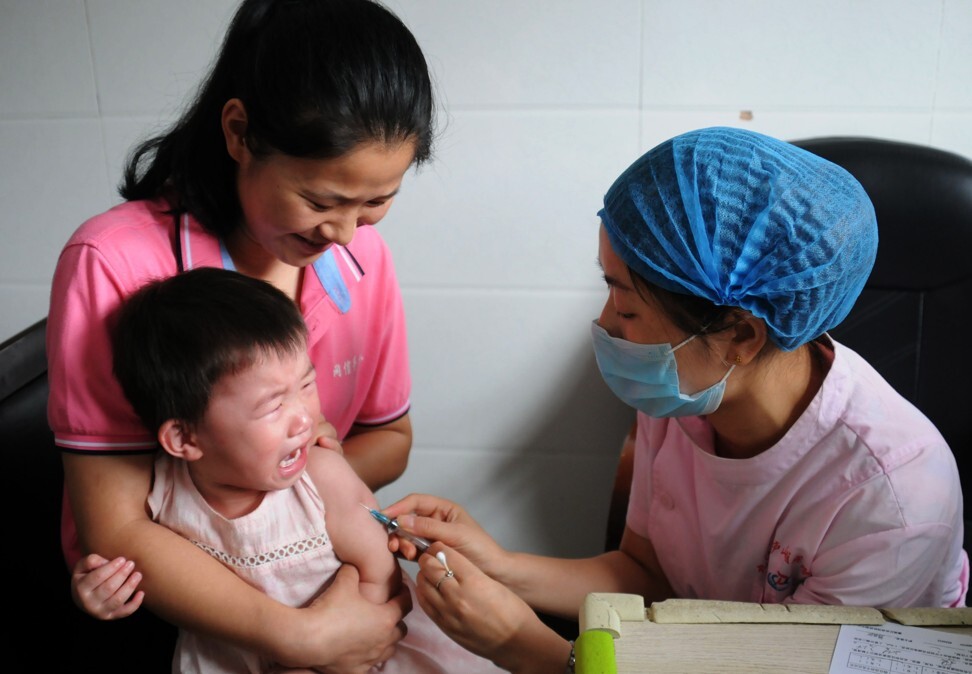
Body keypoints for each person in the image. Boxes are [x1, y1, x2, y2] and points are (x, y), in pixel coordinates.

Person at [379, 127, 969, 674]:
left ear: (740, 334)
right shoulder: (685, 395)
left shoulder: (891, 497)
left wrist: (533, 651)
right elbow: (647, 576)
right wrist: (498, 564)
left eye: (627, 307)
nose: (606, 326)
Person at [49, 0, 433, 669]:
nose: (343, 235)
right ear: (238, 132)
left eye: (375, 203)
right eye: (320, 201)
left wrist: (318, 509)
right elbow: (115, 527)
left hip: (325, 579)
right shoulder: (112, 263)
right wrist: (301, 636)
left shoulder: (363, 260)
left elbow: (390, 438)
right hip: (172, 615)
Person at [83, 267, 501, 673]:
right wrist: (97, 594)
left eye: (307, 386)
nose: (304, 419)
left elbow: (381, 577)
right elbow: (139, 575)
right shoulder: (162, 492)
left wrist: (333, 659)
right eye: (273, 404)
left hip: (365, 654)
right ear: (185, 440)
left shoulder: (321, 477)